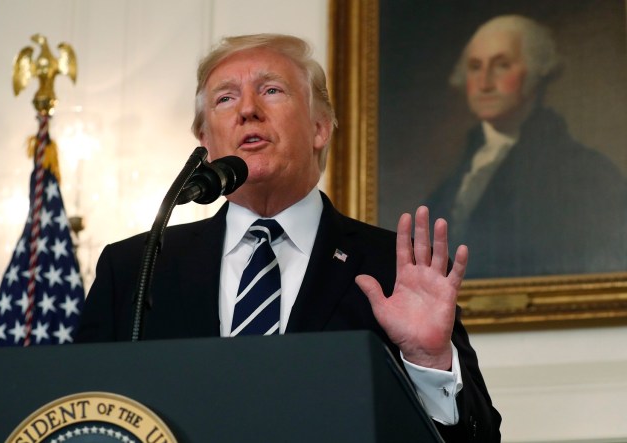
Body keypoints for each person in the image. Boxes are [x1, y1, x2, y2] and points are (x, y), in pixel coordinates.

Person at [76, 34, 501, 441]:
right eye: (226, 98)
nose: (247, 110)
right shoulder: (136, 267)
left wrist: (428, 362)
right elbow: (79, 417)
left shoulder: (395, 268)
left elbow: (480, 440)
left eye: (272, 91)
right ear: (205, 143)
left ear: (320, 128)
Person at [426, 15, 627, 278]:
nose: (484, 83)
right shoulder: (452, 182)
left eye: (502, 65)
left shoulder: (585, 172)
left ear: (535, 72)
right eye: (475, 67)